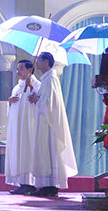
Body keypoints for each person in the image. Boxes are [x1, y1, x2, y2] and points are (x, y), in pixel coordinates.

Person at [28, 51, 77, 197]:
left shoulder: (51, 79)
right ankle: (45, 185)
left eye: (39, 60)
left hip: (50, 125)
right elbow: (44, 99)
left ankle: (50, 186)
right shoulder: (46, 79)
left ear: (47, 62)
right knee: (43, 152)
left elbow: (51, 104)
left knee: (49, 152)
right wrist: (35, 96)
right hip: (44, 122)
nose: (37, 62)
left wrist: (37, 99)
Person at [5, 59, 40, 194]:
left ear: (30, 70)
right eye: (17, 68)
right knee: (17, 152)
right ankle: (22, 183)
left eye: (21, 68)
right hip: (17, 126)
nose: (18, 71)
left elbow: (39, 103)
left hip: (29, 127)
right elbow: (13, 107)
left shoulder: (37, 85)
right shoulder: (17, 87)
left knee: (27, 152)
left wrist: (31, 89)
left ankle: (30, 183)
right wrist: (10, 102)